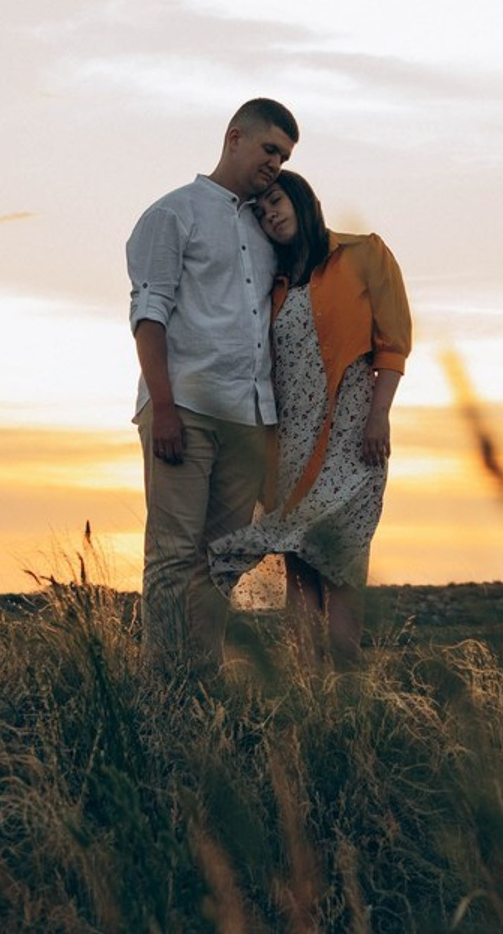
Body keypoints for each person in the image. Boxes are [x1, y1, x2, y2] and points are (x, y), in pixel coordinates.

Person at [209, 170, 411, 662]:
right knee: (299, 563)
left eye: (276, 202)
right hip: (293, 446)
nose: (270, 215)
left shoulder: (364, 255)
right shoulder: (274, 286)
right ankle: (307, 688)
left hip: (353, 438)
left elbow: (392, 344)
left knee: (343, 563)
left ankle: (345, 681)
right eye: (261, 213)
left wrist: (379, 416)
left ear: (302, 200)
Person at [127, 97, 299, 673]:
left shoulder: (267, 226)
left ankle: (201, 680)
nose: (276, 163)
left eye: (285, 156)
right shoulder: (173, 213)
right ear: (235, 137)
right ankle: (162, 684)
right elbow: (149, 314)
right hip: (185, 409)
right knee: (173, 555)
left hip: (249, 418)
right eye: (269, 148)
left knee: (221, 561)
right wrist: (164, 408)